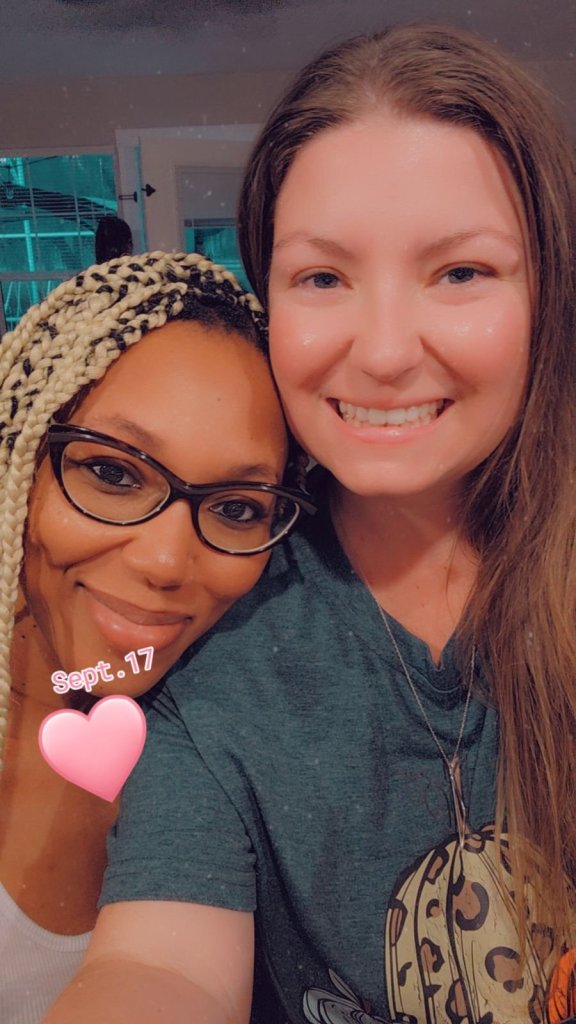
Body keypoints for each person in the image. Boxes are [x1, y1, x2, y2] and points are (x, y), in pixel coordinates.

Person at [45, 22, 576, 1024]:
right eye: (323, 277)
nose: (383, 352)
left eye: (461, 272)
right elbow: (161, 967)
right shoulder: (224, 624)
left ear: (549, 297)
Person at [0, 249, 313, 1023]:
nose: (167, 562)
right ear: (19, 458)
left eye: (237, 508)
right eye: (112, 473)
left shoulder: (240, 745)